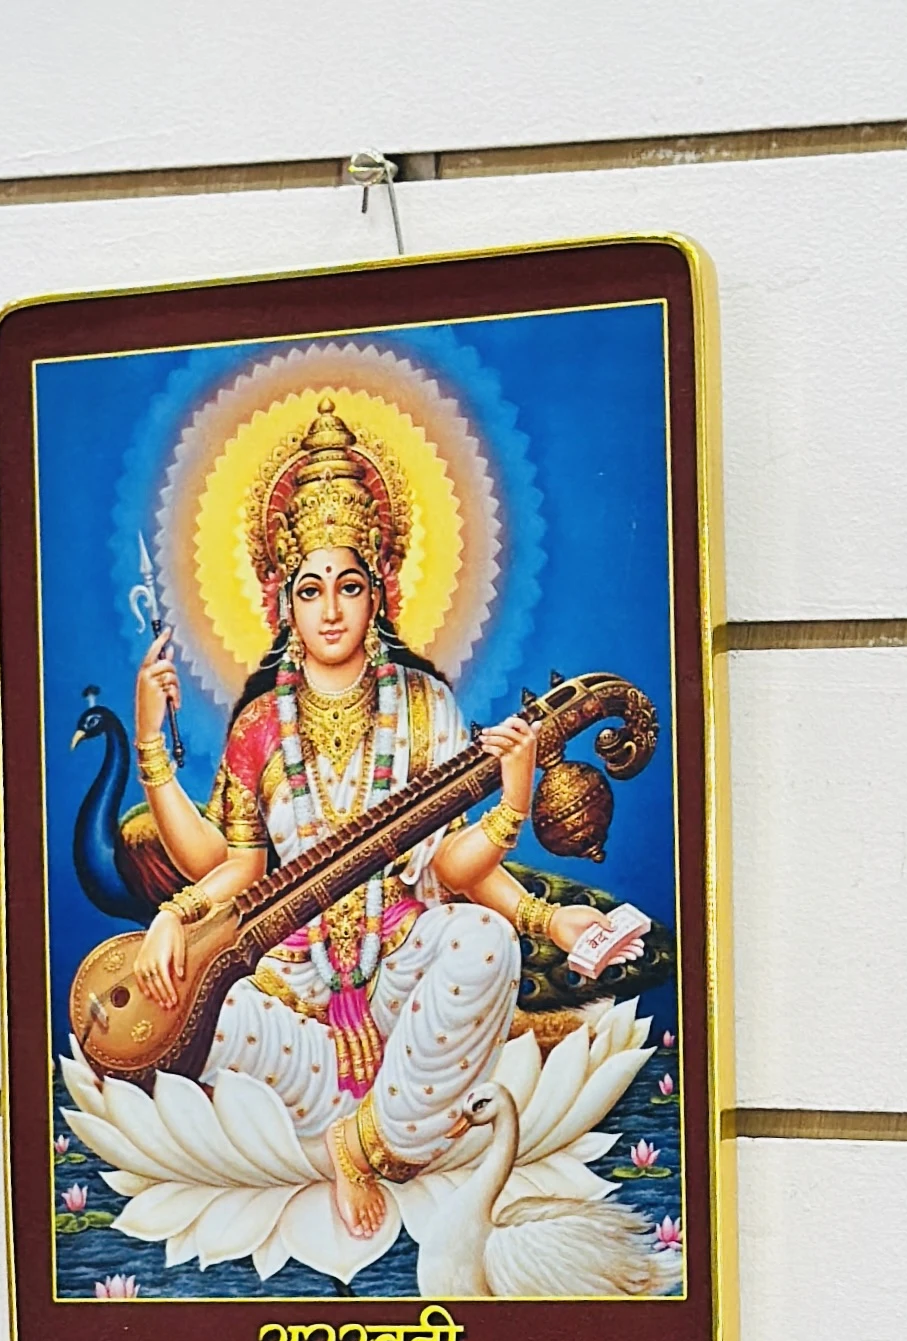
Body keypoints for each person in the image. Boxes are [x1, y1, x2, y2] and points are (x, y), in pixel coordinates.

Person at [128, 398, 608, 1241]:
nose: (330, 610)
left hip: (403, 970)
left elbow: (452, 870)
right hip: (294, 992)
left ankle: (359, 1141)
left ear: (377, 591)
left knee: (483, 944)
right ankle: (402, 1111)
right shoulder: (259, 725)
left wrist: (528, 859)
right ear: (281, 599)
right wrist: (151, 761)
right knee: (202, 1019)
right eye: (310, 589)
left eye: (348, 586)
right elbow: (231, 864)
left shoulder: (423, 707)